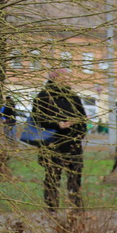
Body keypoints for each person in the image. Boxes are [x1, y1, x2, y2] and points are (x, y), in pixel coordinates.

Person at [32, 68, 86, 210]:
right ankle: (52, 207)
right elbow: (38, 119)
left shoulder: (73, 97)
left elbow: (82, 119)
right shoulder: (43, 96)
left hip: (73, 144)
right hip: (52, 144)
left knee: (75, 177)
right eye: (66, 77)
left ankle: (75, 207)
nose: (69, 80)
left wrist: (79, 133)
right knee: (52, 176)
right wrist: (57, 124)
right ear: (56, 78)